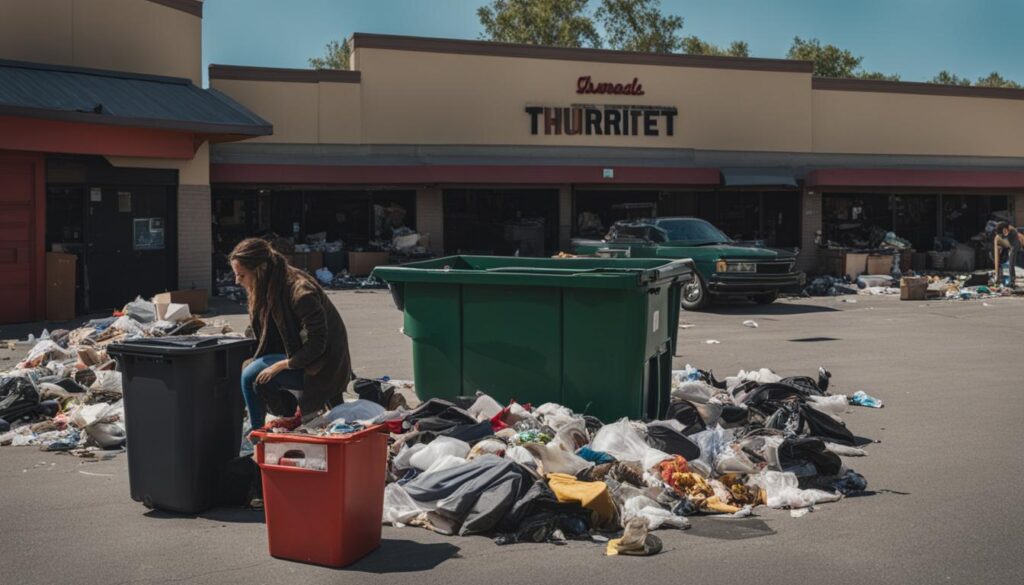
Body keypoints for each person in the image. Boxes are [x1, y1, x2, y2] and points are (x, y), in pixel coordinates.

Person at [230, 238, 352, 432]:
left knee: (250, 375)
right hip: (303, 356)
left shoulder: (300, 292)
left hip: (323, 364)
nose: (237, 281)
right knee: (252, 368)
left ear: (260, 269)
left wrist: (281, 365)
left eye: (241, 275)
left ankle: (257, 434)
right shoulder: (271, 283)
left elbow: (318, 343)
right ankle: (289, 416)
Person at [994, 222, 1023, 288]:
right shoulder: (1009, 231)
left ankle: (1011, 282)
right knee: (1008, 264)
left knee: (1011, 265)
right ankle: (1006, 280)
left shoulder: (1012, 232)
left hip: (1014, 248)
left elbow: (1005, 236)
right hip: (1011, 247)